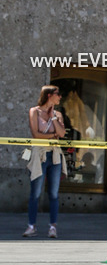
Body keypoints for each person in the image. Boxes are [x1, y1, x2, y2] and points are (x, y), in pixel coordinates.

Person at [24, 85, 67, 238]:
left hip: (54, 155)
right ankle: (31, 226)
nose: (60, 97)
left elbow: (62, 134)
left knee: (54, 193)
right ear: (49, 95)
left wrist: (53, 118)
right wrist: (52, 136)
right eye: (57, 94)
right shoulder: (34, 111)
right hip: (39, 155)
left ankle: (53, 227)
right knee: (35, 193)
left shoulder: (58, 114)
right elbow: (36, 134)